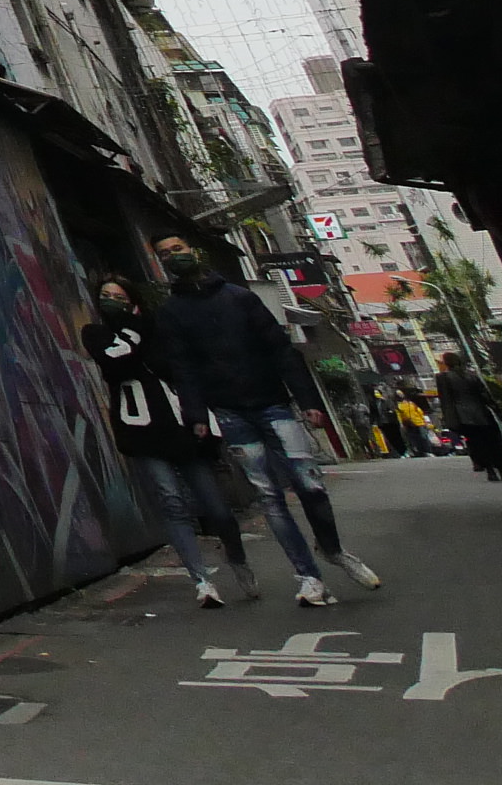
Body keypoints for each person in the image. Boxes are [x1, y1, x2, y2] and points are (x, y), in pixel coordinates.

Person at [145, 236, 384, 606]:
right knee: (270, 496)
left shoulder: (239, 297)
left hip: (274, 404)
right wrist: (196, 415)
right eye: (164, 254)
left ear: (193, 250)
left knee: (310, 485)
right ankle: (309, 577)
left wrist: (308, 400)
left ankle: (332, 549)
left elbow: (281, 350)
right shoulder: (172, 312)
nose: (173, 257)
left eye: (177, 249)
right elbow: (183, 368)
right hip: (230, 413)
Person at [85, 275, 247, 607]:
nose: (111, 300)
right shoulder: (96, 333)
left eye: (118, 295)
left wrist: (198, 415)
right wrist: (133, 326)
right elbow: (116, 359)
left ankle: (238, 558)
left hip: (180, 426)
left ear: (133, 300)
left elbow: (181, 369)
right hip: (141, 430)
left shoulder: (159, 328)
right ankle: (202, 581)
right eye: (106, 295)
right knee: (171, 502)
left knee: (217, 508)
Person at [434, 352, 502, 480]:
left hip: (463, 417)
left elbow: (446, 400)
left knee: (477, 444)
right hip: (482, 413)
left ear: (446, 363)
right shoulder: (471, 376)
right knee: (492, 442)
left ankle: (490, 471)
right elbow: (485, 396)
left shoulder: (443, 378)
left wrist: (449, 420)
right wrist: (498, 412)